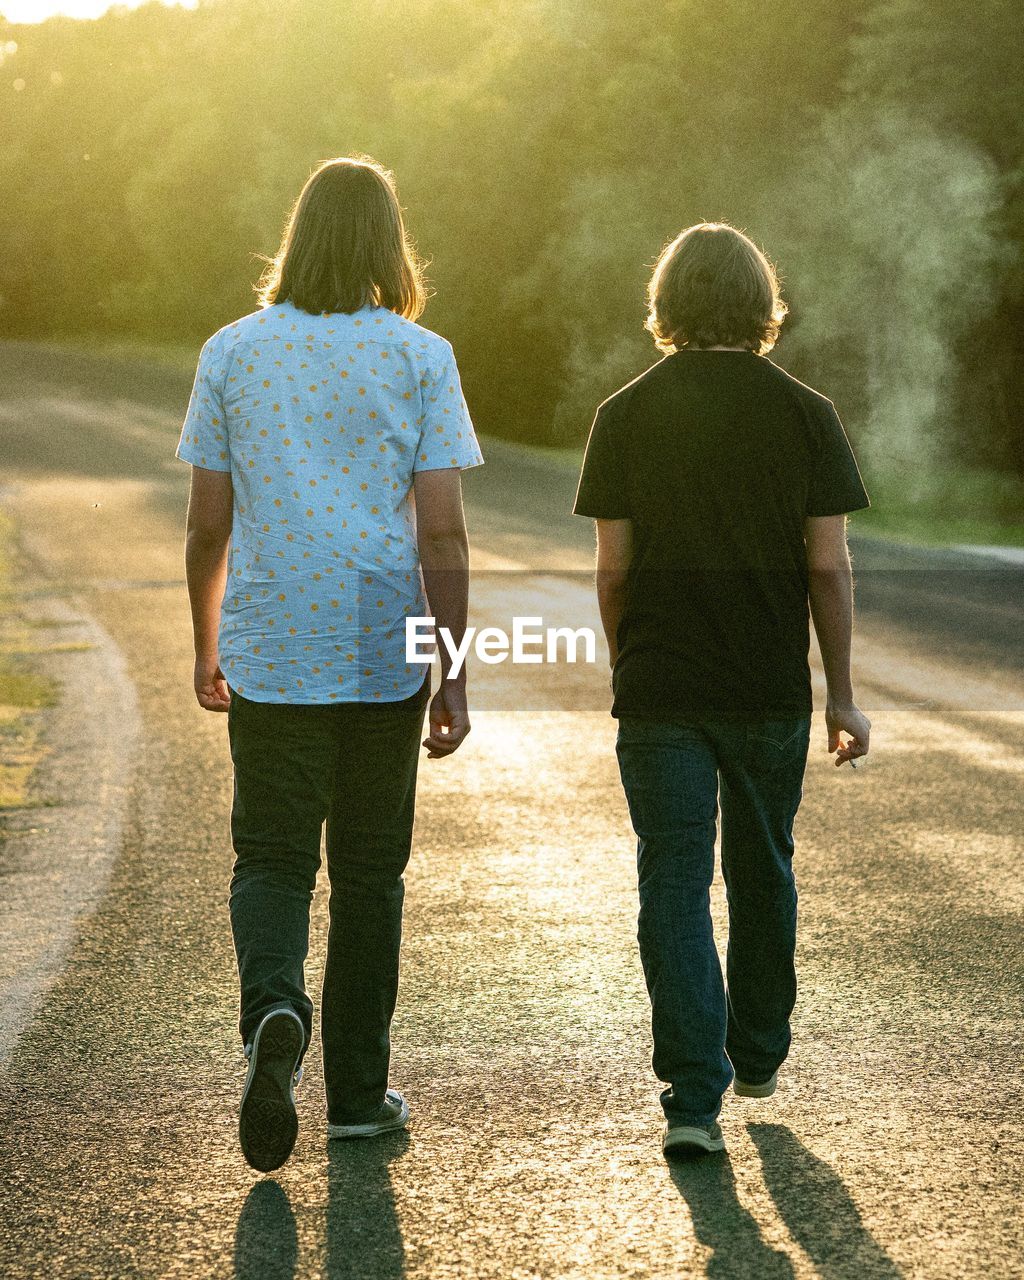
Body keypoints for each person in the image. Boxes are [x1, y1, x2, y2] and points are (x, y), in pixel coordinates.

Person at [176, 156, 482, 1173]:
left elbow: (208, 522)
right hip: (378, 637)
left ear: (296, 235)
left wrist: (202, 639)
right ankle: (355, 1093)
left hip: (270, 637)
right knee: (368, 874)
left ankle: (274, 1007)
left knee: (269, 856)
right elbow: (441, 534)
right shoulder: (421, 355)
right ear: (389, 244)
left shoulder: (232, 350)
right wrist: (455, 671)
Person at [573, 222, 870, 1158]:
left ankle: (692, 1099)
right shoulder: (806, 414)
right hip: (766, 688)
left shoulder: (623, 414)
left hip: (660, 686)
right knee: (763, 865)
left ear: (667, 302)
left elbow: (612, 572)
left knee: (672, 878)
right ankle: (758, 1049)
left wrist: (628, 660)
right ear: (759, 303)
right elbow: (829, 570)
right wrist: (842, 694)